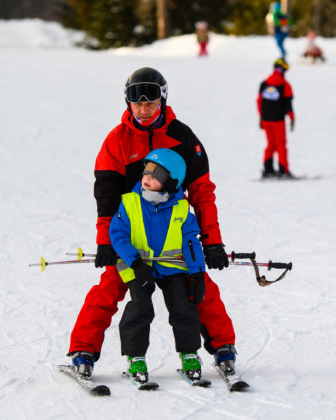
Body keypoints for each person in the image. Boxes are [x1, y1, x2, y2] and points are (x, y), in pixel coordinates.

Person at [68, 67, 237, 379]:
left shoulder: (183, 137)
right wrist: (106, 241)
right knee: (109, 288)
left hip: (172, 240)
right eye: (137, 104)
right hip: (132, 241)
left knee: (201, 290)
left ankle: (224, 347)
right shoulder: (116, 141)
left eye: (151, 102)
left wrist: (211, 242)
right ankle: (83, 350)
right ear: (127, 103)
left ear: (163, 99)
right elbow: (106, 198)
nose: (144, 110)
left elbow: (202, 193)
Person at [110, 148, 206, 382]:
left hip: (171, 267)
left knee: (183, 306)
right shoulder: (130, 202)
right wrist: (135, 262)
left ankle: (189, 354)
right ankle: (135, 357)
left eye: (156, 174)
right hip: (138, 267)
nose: (147, 177)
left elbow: (191, 242)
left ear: (171, 182)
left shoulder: (181, 209)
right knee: (140, 307)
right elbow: (117, 235)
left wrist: (197, 273)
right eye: (147, 171)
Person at [257, 58, 295, 178]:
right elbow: (289, 105)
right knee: (281, 145)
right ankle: (283, 170)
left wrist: (261, 117)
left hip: (266, 119)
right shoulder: (285, 85)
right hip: (278, 120)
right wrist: (292, 118)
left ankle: (268, 170)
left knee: (270, 145)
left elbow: (259, 101)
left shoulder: (264, 83)